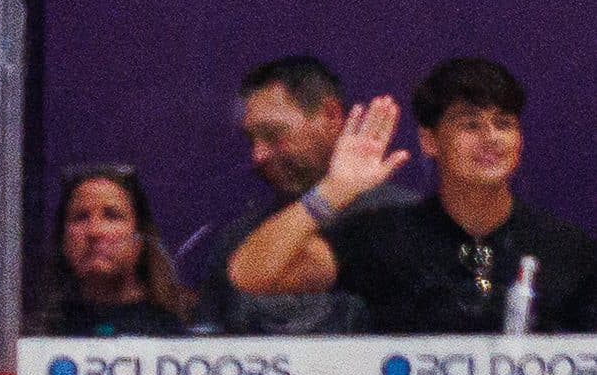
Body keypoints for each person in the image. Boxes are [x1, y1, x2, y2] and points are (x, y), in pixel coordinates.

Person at [228, 58, 597, 333]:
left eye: (504, 124)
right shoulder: (384, 236)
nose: (491, 137)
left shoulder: (566, 246)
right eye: (469, 124)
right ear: (429, 140)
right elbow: (252, 275)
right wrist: (332, 191)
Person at [203, 56, 408, 333]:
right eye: (252, 139)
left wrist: (335, 189)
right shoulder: (238, 239)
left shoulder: (402, 221)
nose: (258, 154)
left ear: (331, 116)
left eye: (273, 134)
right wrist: (328, 195)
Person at [41, 165, 190, 336]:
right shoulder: (38, 332)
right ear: (63, 239)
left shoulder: (173, 333)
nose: (95, 231)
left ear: (140, 238)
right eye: (80, 217)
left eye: (112, 216)